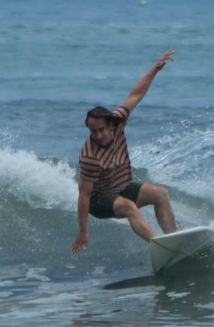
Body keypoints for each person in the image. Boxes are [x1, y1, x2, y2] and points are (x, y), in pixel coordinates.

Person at [71, 49, 177, 256]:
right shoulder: (89, 156)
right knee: (129, 207)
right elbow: (84, 196)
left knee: (160, 194)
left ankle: (175, 240)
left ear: (110, 125)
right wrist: (83, 231)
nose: (99, 135)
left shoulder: (118, 121)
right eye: (93, 131)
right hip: (99, 200)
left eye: (101, 129)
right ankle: (161, 247)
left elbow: (135, 95)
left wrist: (155, 70)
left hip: (121, 186)